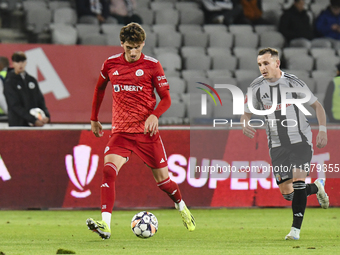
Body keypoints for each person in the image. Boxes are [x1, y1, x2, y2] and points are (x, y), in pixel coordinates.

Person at [86, 22, 196, 240]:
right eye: (129, 47)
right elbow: (99, 89)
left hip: (147, 134)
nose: (134, 52)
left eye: (137, 47)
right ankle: (105, 225)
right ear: (122, 44)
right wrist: (94, 119)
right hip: (121, 132)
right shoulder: (110, 64)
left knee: (164, 182)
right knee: (108, 170)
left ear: (143, 44)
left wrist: (155, 114)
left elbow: (166, 98)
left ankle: (181, 206)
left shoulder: (153, 65)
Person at [241, 47, 329, 240]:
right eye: (259, 65)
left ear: (277, 63)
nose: (262, 68)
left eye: (266, 63)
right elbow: (246, 111)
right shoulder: (256, 87)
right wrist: (245, 122)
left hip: (300, 141)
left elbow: (318, 106)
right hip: (277, 144)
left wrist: (322, 130)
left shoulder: (293, 82)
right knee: (288, 193)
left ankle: (295, 231)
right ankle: (317, 187)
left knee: (298, 183)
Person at [3, 51, 50, 127]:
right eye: (17, 61)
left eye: (22, 61)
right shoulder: (9, 82)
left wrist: (46, 116)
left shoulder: (31, 80)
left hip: (33, 124)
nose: (20, 64)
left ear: (26, 63)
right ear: (13, 63)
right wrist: (33, 119)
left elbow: (40, 100)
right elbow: (14, 105)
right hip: (18, 124)